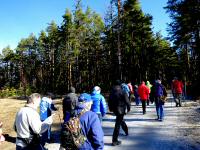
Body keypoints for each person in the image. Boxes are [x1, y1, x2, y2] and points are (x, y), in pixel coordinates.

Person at [108, 80, 131, 146]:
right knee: (117, 124)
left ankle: (126, 130)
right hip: (121, 110)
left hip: (115, 110)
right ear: (120, 85)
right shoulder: (123, 91)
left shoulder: (112, 92)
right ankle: (114, 140)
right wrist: (128, 108)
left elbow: (109, 101)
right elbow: (127, 101)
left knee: (120, 120)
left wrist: (110, 108)